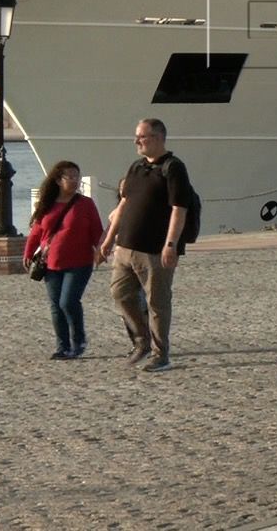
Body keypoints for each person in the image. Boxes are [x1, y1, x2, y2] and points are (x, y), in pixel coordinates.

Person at [101, 118, 192, 373]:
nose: (136, 141)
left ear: (158, 138)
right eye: (136, 136)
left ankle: (161, 354)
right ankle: (142, 339)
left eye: (142, 136)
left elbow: (179, 209)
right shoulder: (136, 167)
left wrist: (171, 244)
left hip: (154, 249)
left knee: (157, 303)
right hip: (125, 246)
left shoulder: (173, 168)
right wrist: (108, 239)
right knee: (120, 293)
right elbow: (123, 204)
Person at [23, 161, 105, 360]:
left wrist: (101, 250)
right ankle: (62, 346)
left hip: (79, 262)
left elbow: (96, 230)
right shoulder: (47, 204)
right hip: (51, 263)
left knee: (68, 302)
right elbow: (37, 232)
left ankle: (79, 341)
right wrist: (28, 253)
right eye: (71, 176)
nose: (75, 180)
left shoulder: (85, 204)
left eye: (77, 176)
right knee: (55, 306)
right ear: (59, 180)